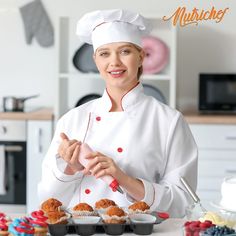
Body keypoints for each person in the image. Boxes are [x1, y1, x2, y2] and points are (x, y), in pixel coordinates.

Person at [38, 9, 198, 217]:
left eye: (125, 51)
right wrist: (70, 168)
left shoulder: (168, 121)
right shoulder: (72, 119)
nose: (114, 62)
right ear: (96, 60)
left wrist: (124, 179)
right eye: (105, 53)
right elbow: (46, 202)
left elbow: (182, 202)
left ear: (141, 56)